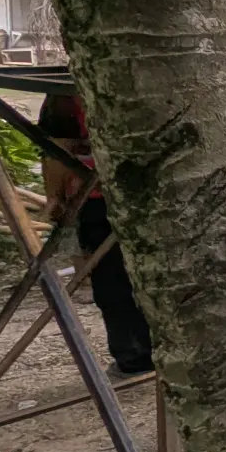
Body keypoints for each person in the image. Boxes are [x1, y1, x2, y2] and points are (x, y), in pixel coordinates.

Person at [39, 93, 154, 376]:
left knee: (115, 280)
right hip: (113, 198)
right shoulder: (69, 96)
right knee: (118, 279)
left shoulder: (73, 90)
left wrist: (54, 196)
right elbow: (58, 146)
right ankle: (138, 356)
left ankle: (136, 356)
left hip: (105, 199)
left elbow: (56, 149)